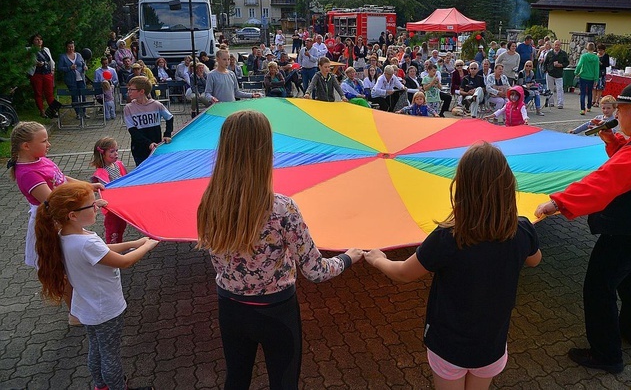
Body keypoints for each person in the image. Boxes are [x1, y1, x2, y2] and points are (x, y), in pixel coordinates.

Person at [196, 111, 363, 388]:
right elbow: (316, 271)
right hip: (276, 311)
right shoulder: (282, 208)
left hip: (230, 308)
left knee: (236, 379)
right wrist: (348, 258)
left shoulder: (210, 202)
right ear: (265, 150)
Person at [365, 142, 541, 390]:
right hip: (491, 344)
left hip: (449, 345)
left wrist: (378, 260)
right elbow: (535, 259)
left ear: (462, 188)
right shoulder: (522, 230)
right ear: (507, 185)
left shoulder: (449, 237)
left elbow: (404, 273)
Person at [534, 81, 631, 374]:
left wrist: (558, 203)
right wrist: (613, 141)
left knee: (598, 288)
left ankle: (607, 354)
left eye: (621, 110)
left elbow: (604, 182)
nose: (618, 115)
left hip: (628, 232)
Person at [35, 181, 158, 390]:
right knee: (110, 354)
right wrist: (148, 245)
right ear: (72, 215)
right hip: (106, 309)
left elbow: (102, 249)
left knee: (97, 349)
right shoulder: (85, 243)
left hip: (88, 307)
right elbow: (125, 262)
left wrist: (132, 243)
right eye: (92, 205)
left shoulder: (65, 235)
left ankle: (100, 385)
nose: (97, 207)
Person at [8, 121, 104, 324]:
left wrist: (87, 186)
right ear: (26, 146)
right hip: (53, 223)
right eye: (44, 141)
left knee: (73, 267)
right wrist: (91, 204)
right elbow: (55, 203)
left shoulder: (40, 160)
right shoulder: (27, 174)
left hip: (64, 218)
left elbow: (61, 178)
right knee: (66, 271)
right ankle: (75, 314)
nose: (49, 144)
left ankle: (80, 307)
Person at [123, 76, 173, 166]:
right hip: (139, 149)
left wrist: (167, 134)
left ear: (141, 91)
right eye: (128, 89)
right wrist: (148, 143)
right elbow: (132, 130)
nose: (128, 92)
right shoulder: (128, 108)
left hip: (156, 147)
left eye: (131, 89)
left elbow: (169, 118)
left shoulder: (156, 105)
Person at [90, 137, 128, 243]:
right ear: (102, 154)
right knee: (112, 230)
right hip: (112, 207)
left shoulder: (118, 165)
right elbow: (105, 188)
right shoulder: (101, 172)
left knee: (121, 226)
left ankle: (119, 246)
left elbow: (126, 178)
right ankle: (111, 249)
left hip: (121, 204)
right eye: (112, 151)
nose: (116, 153)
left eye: (116, 150)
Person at [28, 34, 57, 118]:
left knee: (50, 93)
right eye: (36, 40)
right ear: (33, 41)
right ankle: (42, 111)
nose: (39, 41)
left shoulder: (46, 50)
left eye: (40, 39)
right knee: (38, 93)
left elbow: (51, 61)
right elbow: (29, 61)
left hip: (47, 73)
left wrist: (53, 70)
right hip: (37, 74)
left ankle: (53, 110)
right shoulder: (30, 50)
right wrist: (36, 63)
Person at [58, 40, 88, 119]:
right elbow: (60, 68)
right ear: (66, 47)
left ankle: (84, 112)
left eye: (72, 47)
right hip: (71, 80)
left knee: (83, 95)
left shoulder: (78, 55)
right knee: (75, 96)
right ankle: (78, 113)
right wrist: (69, 68)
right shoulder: (63, 57)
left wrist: (84, 67)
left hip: (80, 78)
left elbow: (83, 63)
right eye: (69, 47)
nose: (71, 48)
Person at [575, 42, 600, 115]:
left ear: (587, 48)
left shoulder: (584, 56)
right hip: (591, 77)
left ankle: (583, 109)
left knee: (582, 93)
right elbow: (596, 69)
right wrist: (596, 79)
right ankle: (589, 107)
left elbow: (579, 65)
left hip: (583, 76)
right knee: (590, 92)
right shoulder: (596, 58)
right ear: (594, 48)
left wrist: (576, 72)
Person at [545, 40, 569, 109]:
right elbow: (545, 62)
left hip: (559, 74)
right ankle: (551, 102)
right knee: (549, 88)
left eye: (558, 45)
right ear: (553, 45)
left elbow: (566, 63)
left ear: (560, 46)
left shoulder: (563, 53)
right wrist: (546, 70)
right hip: (550, 73)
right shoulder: (550, 53)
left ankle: (560, 103)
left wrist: (561, 65)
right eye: (556, 45)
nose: (557, 46)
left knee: (560, 88)